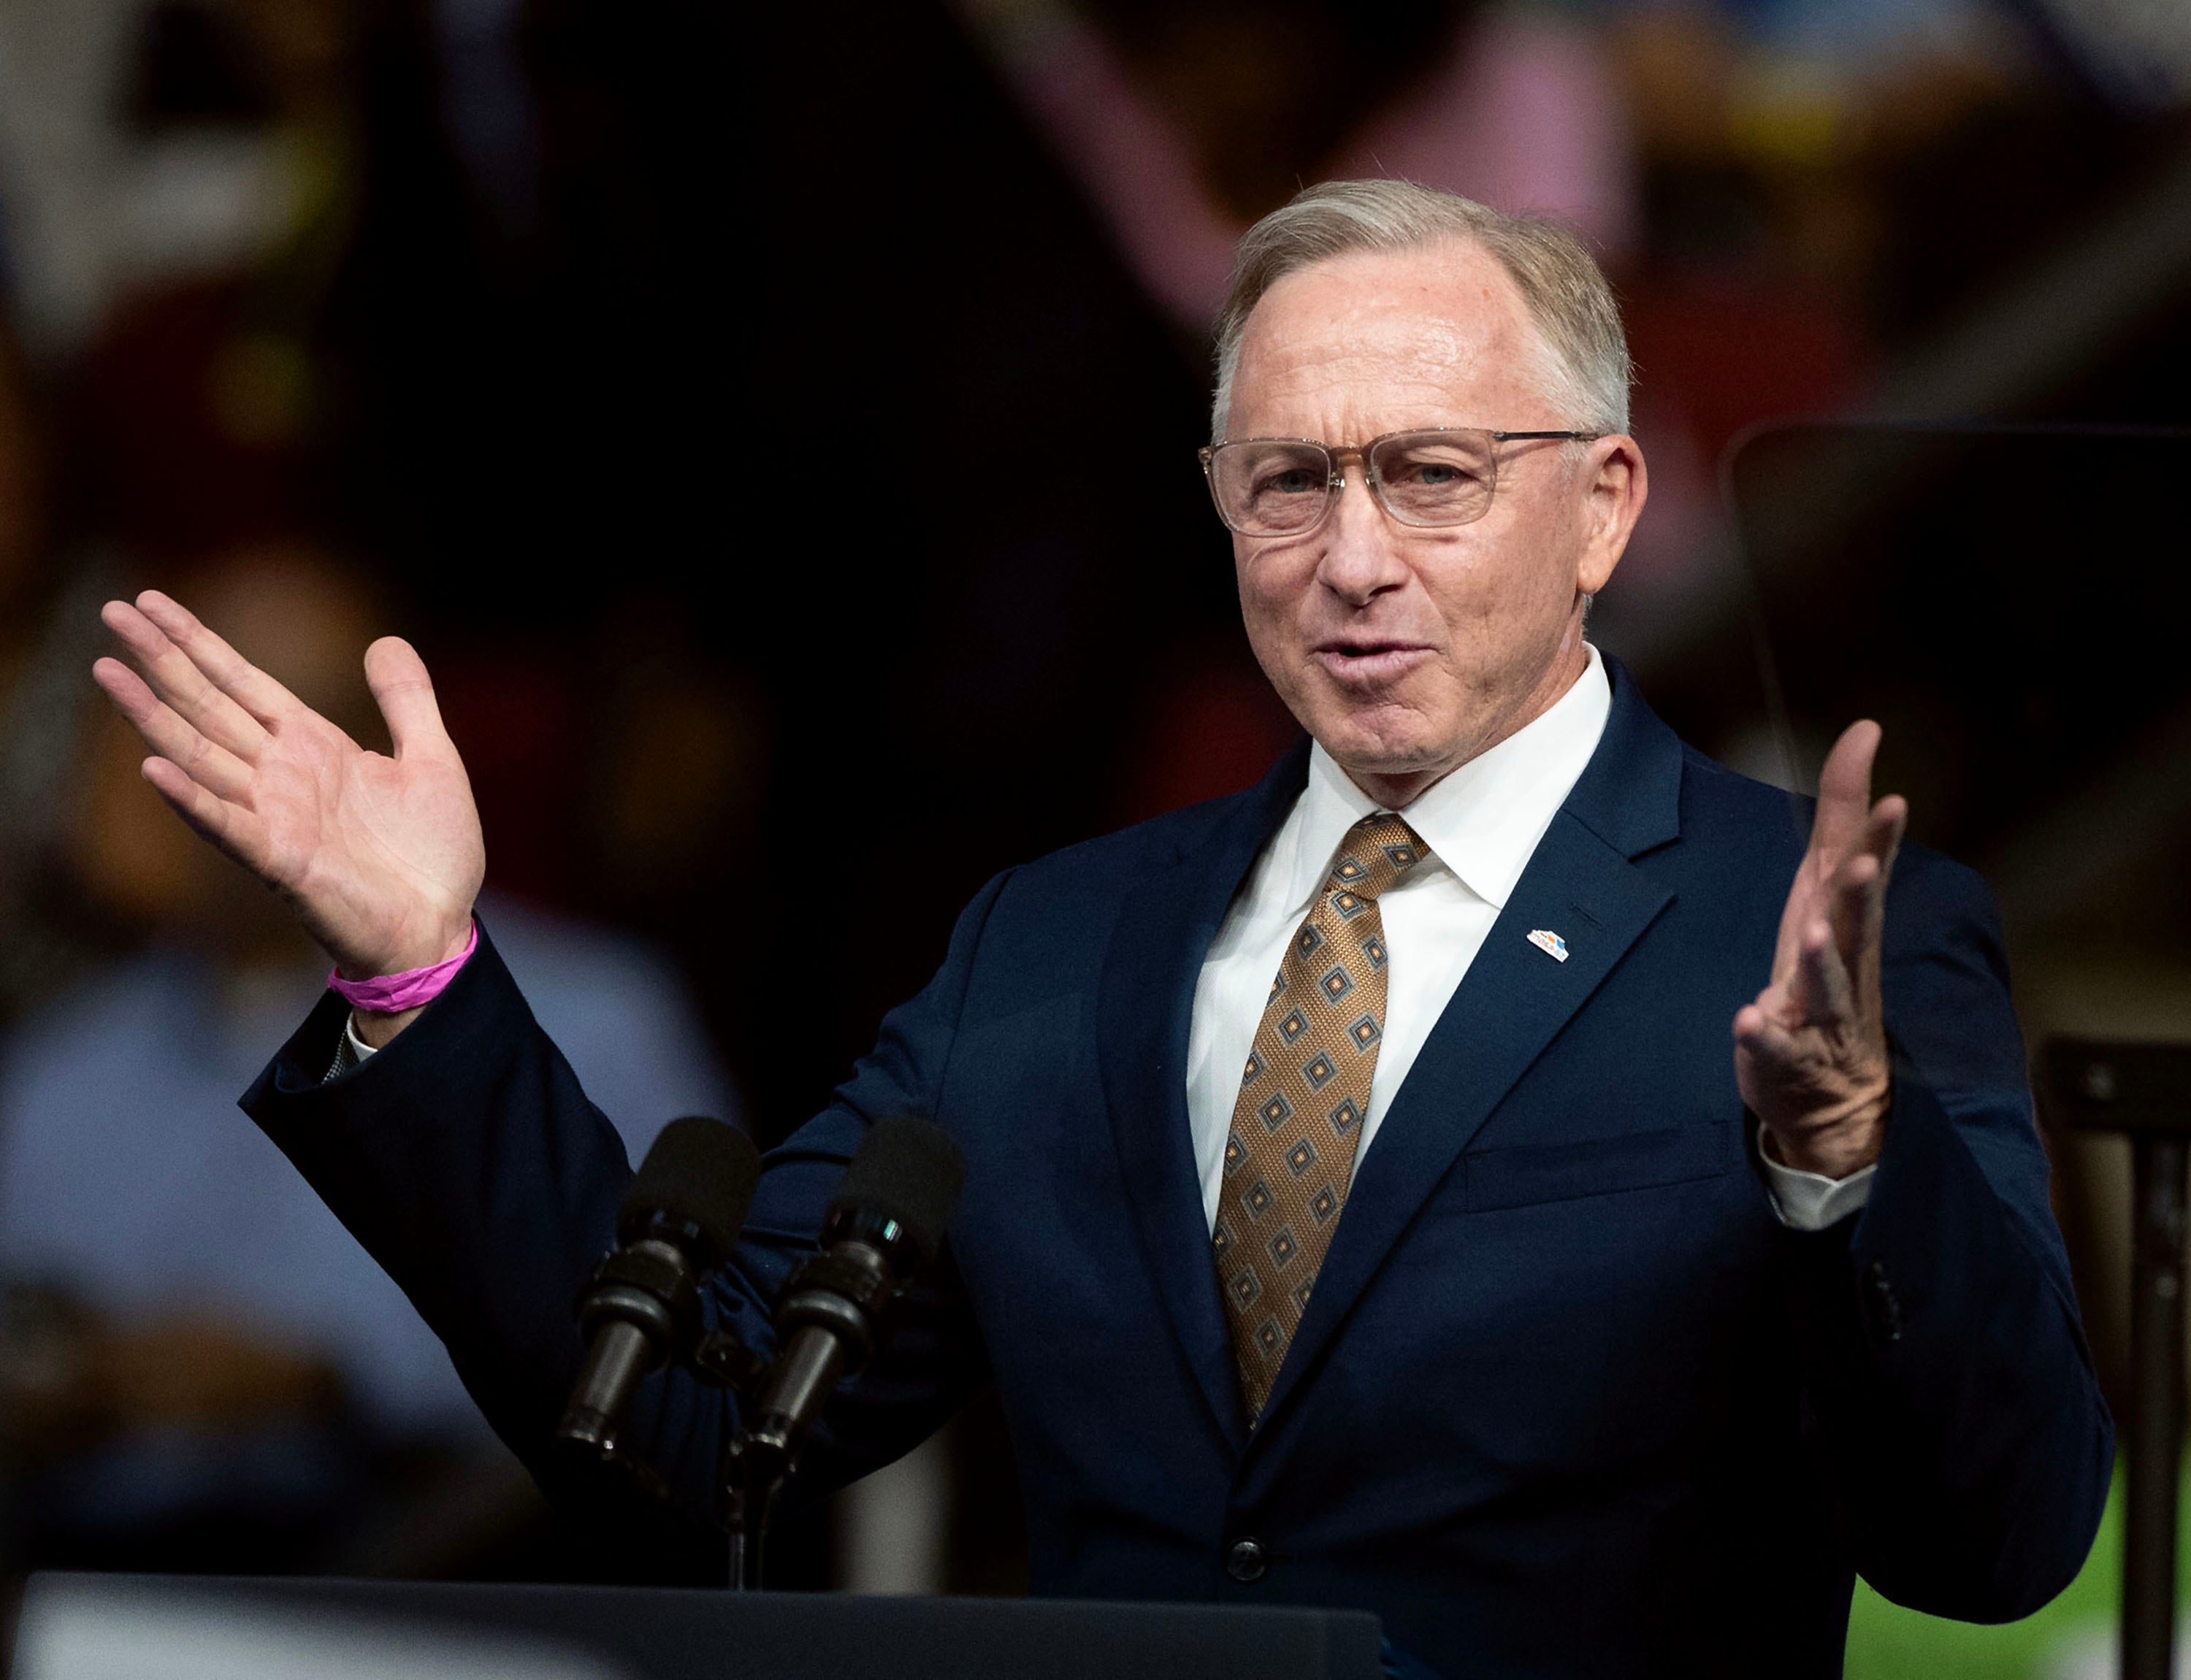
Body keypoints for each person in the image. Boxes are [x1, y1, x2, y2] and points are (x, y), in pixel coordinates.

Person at [90, 180, 2108, 1676]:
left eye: (1430, 477)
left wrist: (1846, 1164)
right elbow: (690, 1430)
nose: (1353, 561)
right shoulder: (1054, 949)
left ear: (1601, 505)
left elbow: (1999, 1544)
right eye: (1285, 486)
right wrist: (417, 975)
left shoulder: (1819, 938)